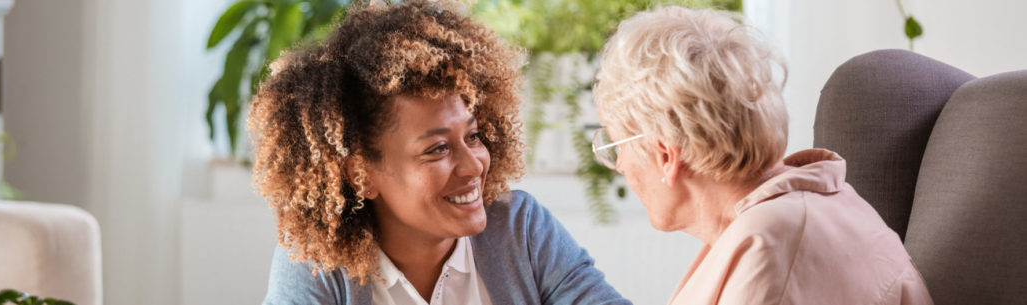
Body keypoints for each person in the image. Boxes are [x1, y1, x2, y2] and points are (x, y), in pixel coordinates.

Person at [251, 1, 629, 304]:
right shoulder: (318, 264)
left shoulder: (520, 229)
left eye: (474, 136)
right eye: (438, 148)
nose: (473, 164)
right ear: (361, 175)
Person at [591, 6, 933, 305]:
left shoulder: (772, 245)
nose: (619, 165)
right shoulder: (806, 209)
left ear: (665, 155)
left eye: (617, 147)